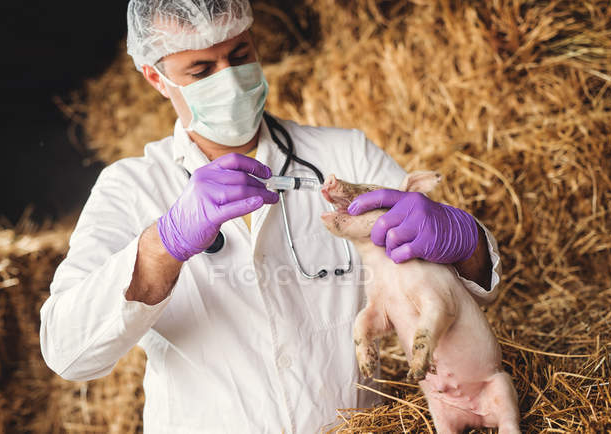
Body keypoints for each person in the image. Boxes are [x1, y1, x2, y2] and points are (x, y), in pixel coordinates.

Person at [39, 1, 502, 432]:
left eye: (240, 54)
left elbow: (452, 297)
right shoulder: (132, 187)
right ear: (156, 78)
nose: (231, 79)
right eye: (201, 70)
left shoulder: (343, 153)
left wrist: (466, 243)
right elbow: (67, 351)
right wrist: (165, 242)